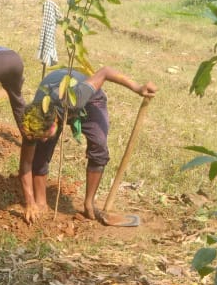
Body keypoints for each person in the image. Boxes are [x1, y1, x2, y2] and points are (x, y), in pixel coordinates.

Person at [18, 66, 156, 225]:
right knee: (40, 154)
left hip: (90, 100)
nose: (42, 140)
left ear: (55, 122)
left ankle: (89, 203)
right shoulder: (32, 121)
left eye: (44, 136)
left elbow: (105, 72)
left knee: (99, 146)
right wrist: (30, 202)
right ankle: (41, 202)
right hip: (56, 98)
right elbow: (26, 163)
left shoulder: (74, 99)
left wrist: (138, 88)